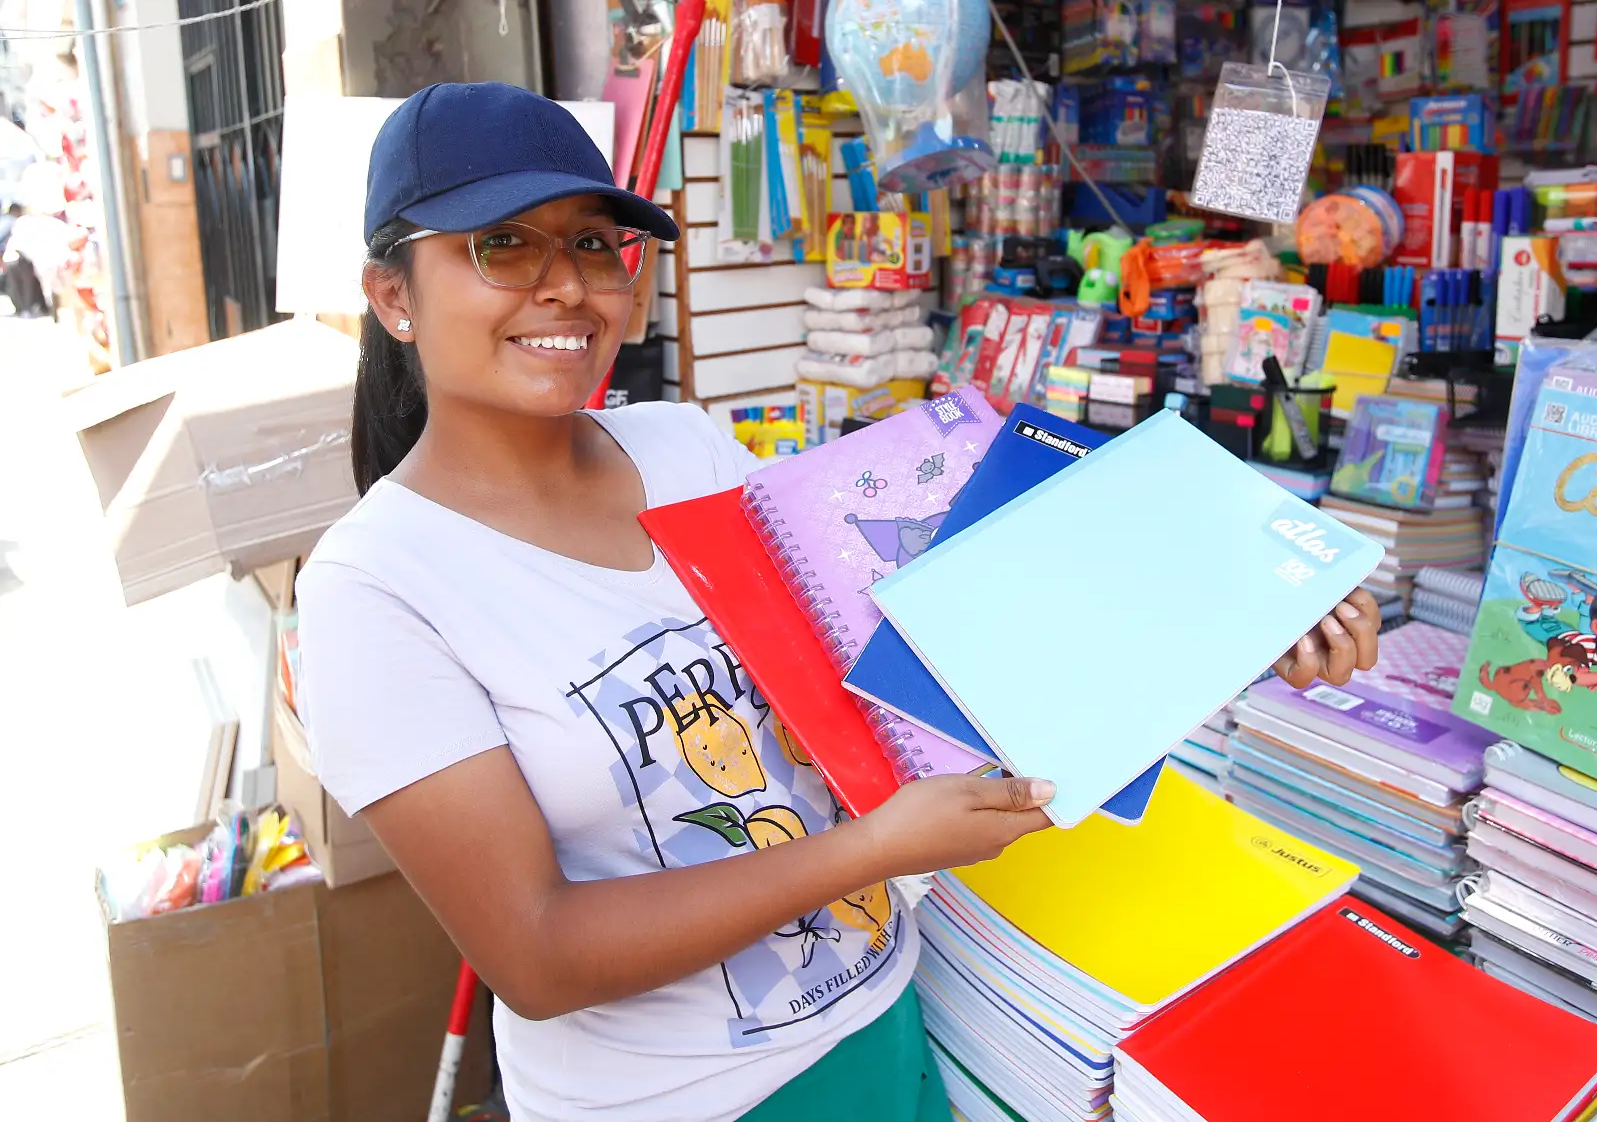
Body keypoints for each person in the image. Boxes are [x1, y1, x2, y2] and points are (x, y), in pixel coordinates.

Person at [295, 82, 1381, 1122]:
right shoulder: (375, 591)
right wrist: (873, 851)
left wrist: (1231, 619)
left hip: (887, 1017)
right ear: (393, 294)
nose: (567, 285)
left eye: (592, 242)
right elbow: (534, 952)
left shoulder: (682, 446)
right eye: (503, 246)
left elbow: (932, 643)